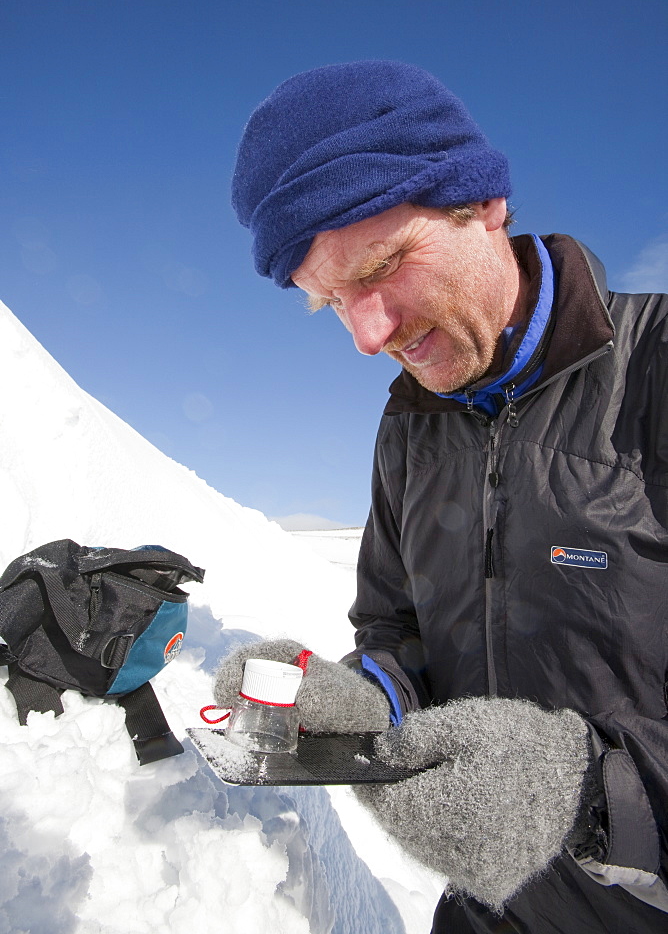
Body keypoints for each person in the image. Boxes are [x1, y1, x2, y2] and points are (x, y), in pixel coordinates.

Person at [216, 60, 668, 933]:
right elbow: (398, 628)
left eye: (383, 266)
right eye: (329, 304)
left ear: (485, 206)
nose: (367, 335)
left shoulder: (656, 370)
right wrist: (368, 699)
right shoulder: (411, 428)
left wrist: (590, 794)